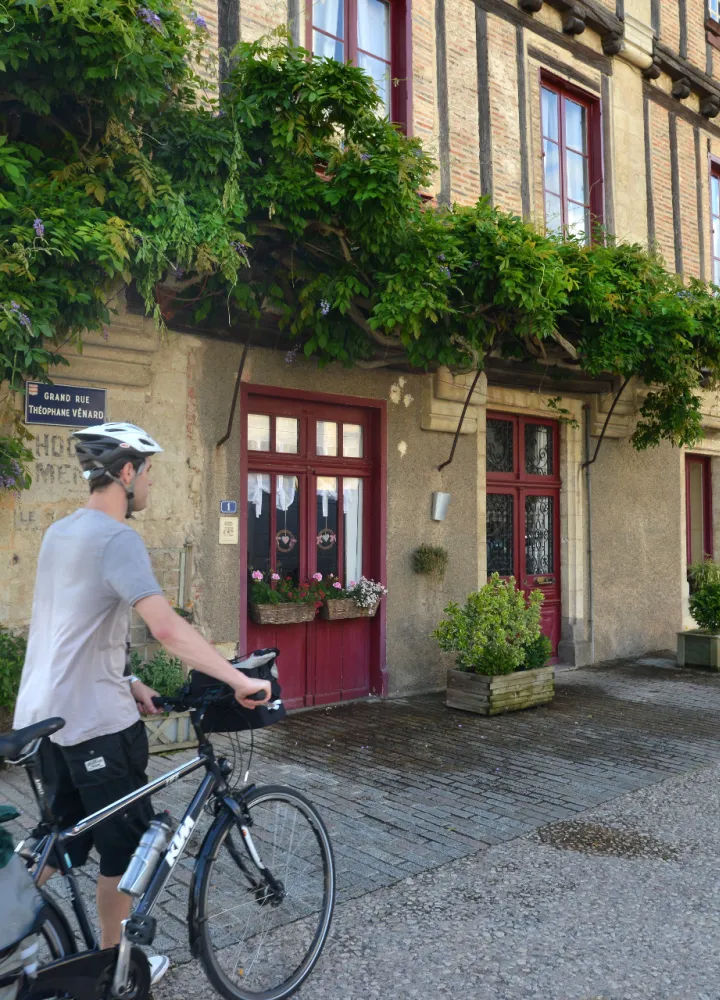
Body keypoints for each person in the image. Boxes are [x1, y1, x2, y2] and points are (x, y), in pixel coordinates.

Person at [13, 422, 271, 983]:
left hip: (43, 718)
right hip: (93, 724)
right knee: (123, 851)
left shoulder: (61, 533)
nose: (151, 482)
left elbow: (73, 626)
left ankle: (9, 930)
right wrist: (236, 678)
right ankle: (118, 966)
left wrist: (127, 678)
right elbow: (167, 628)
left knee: (58, 837)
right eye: (149, 471)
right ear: (127, 473)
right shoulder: (117, 538)